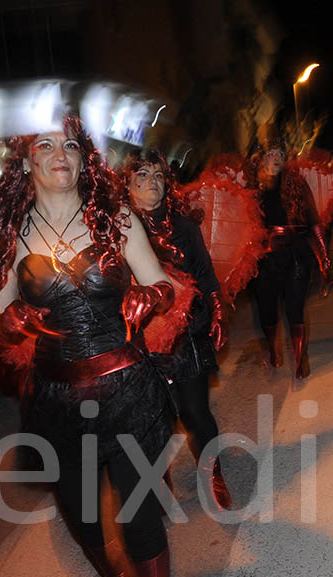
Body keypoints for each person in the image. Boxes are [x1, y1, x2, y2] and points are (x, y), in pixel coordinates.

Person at [0, 116, 175, 577]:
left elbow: (162, 282)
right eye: (46, 143)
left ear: (85, 160)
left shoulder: (118, 219)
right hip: (57, 400)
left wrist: (153, 297)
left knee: (140, 510)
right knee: (81, 511)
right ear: (27, 160)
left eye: (72, 145)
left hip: (127, 391)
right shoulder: (12, 233)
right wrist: (7, 321)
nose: (61, 154)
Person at [124, 149, 232, 510]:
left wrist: (217, 313)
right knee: (154, 419)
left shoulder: (184, 226)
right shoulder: (115, 229)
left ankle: (213, 473)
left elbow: (205, 274)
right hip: (138, 341)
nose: (152, 183)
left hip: (187, 336)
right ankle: (161, 482)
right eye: (142, 174)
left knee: (195, 412)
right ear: (126, 183)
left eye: (158, 176)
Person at [249, 141, 330, 382]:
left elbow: (314, 220)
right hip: (263, 259)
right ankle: (272, 350)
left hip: (296, 254)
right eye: (271, 154)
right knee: (267, 310)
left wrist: (324, 255)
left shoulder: (296, 184)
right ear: (261, 159)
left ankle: (300, 358)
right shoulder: (251, 188)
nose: (276, 158)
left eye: (280, 155)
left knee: (295, 307)